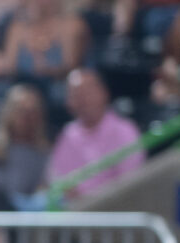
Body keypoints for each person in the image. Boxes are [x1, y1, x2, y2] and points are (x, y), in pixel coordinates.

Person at [45, 67, 141, 195]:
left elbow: (131, 183)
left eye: (87, 92)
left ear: (104, 93)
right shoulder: (67, 134)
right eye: (76, 95)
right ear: (69, 102)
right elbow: (55, 179)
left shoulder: (125, 131)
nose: (83, 100)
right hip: (74, 211)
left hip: (114, 209)